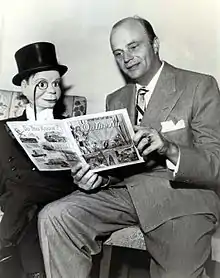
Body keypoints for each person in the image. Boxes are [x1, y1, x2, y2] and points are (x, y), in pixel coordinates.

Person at [38, 17, 220, 278]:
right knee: (56, 216)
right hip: (127, 194)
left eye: (134, 47)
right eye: (118, 53)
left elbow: (216, 162)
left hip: (183, 199)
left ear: (155, 44)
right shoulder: (116, 99)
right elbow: (118, 166)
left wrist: (169, 149)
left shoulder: (199, 85)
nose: (127, 58)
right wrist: (96, 179)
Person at [0, 42, 76, 278]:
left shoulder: (70, 127)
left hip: (57, 193)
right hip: (19, 204)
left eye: (56, 84)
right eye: (42, 84)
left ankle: (2, 243)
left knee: (23, 192)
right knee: (28, 208)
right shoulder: (4, 129)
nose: (52, 91)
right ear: (24, 87)